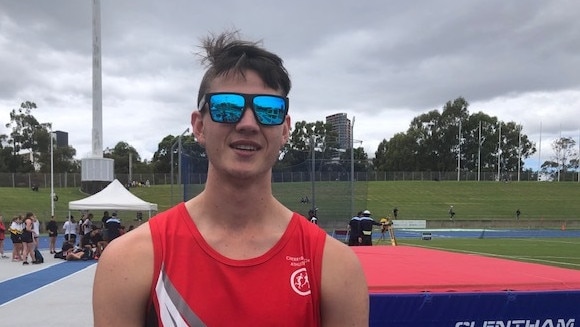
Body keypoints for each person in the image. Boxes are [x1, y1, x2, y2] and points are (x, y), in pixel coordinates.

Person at [93, 31, 368, 326]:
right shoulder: (131, 259)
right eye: (227, 107)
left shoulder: (334, 266)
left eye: (268, 110)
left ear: (285, 129)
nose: (248, 123)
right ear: (199, 126)